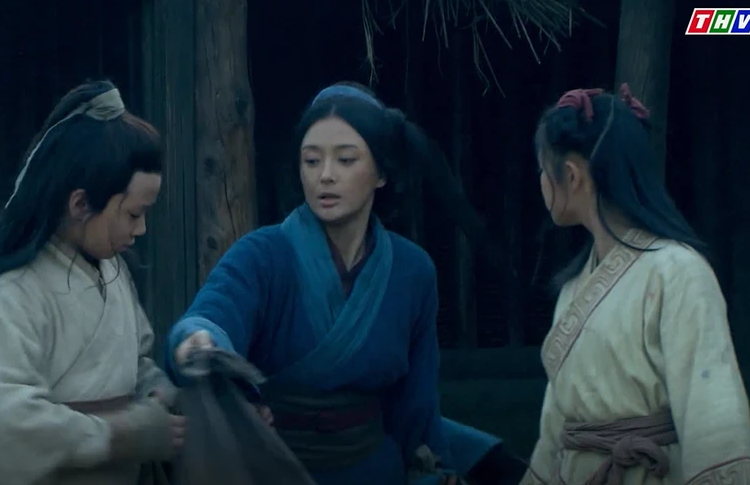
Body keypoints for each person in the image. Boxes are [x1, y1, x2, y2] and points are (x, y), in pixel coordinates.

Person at [168, 81, 527, 485]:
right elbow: (211, 315)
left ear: (381, 172)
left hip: (373, 469)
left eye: (345, 160)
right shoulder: (261, 255)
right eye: (311, 160)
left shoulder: (413, 271)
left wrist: (431, 465)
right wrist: (197, 340)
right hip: (275, 467)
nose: (325, 176)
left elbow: (417, 401)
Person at [520, 85, 750, 485]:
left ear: (571, 176)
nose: (542, 183)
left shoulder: (678, 271)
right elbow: (555, 432)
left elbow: (713, 413)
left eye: (544, 171)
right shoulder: (572, 291)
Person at [0, 80, 183, 485]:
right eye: (133, 214)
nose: (141, 229)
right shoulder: (9, 298)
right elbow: (0, 425)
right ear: (80, 203)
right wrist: (121, 436)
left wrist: (155, 391)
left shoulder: (115, 273)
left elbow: (134, 360)